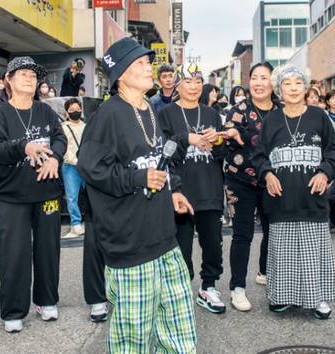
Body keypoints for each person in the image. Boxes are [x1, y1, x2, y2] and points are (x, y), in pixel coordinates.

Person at [77, 37, 196, 353]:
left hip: (164, 236)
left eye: (148, 62)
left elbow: (157, 160)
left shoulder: (150, 109)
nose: (148, 68)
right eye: (139, 64)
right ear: (120, 74)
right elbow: (91, 168)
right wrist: (138, 177)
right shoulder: (107, 114)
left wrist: (172, 191)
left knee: (179, 325)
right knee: (135, 337)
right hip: (129, 242)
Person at [0, 57, 67, 332]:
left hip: (46, 194)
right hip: (12, 195)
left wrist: (55, 157)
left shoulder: (45, 111)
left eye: (33, 75)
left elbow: (60, 138)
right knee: (12, 254)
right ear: (8, 79)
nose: (30, 79)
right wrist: (24, 147)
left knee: (48, 250)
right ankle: (13, 311)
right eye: (22, 74)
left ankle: (46, 301)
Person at [253, 64, 335, 319]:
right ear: (279, 89)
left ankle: (318, 297)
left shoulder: (319, 116)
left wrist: (325, 172)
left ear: (306, 88)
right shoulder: (272, 119)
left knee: (314, 251)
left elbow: (333, 150)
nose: (293, 88)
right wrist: (267, 174)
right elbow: (259, 156)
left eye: (298, 83)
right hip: (281, 200)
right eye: (287, 84)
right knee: (283, 254)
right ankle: (282, 296)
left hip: (312, 199)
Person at [158, 63, 227, 314]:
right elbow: (163, 152)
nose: (194, 86)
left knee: (213, 243)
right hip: (181, 190)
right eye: (188, 81)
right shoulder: (165, 114)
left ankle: (208, 287)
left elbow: (221, 153)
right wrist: (189, 139)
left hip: (209, 188)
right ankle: (181, 287)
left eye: (198, 81)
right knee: (180, 246)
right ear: (177, 84)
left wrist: (217, 140)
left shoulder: (211, 113)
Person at [218, 62, 280, 312]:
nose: (258, 82)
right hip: (240, 180)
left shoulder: (282, 111)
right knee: (242, 235)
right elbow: (230, 135)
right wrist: (233, 135)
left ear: (272, 82)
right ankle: (237, 288)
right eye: (254, 77)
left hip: (273, 181)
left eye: (264, 78)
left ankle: (265, 271)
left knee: (273, 231)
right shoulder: (238, 109)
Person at [62, 98, 86, 236]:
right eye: (71, 110)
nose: (75, 112)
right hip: (70, 166)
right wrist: (74, 160)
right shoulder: (63, 128)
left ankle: (93, 218)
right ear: (66, 112)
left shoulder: (86, 126)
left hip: (85, 165)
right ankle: (75, 223)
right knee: (72, 196)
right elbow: (64, 149)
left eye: (77, 109)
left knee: (92, 194)